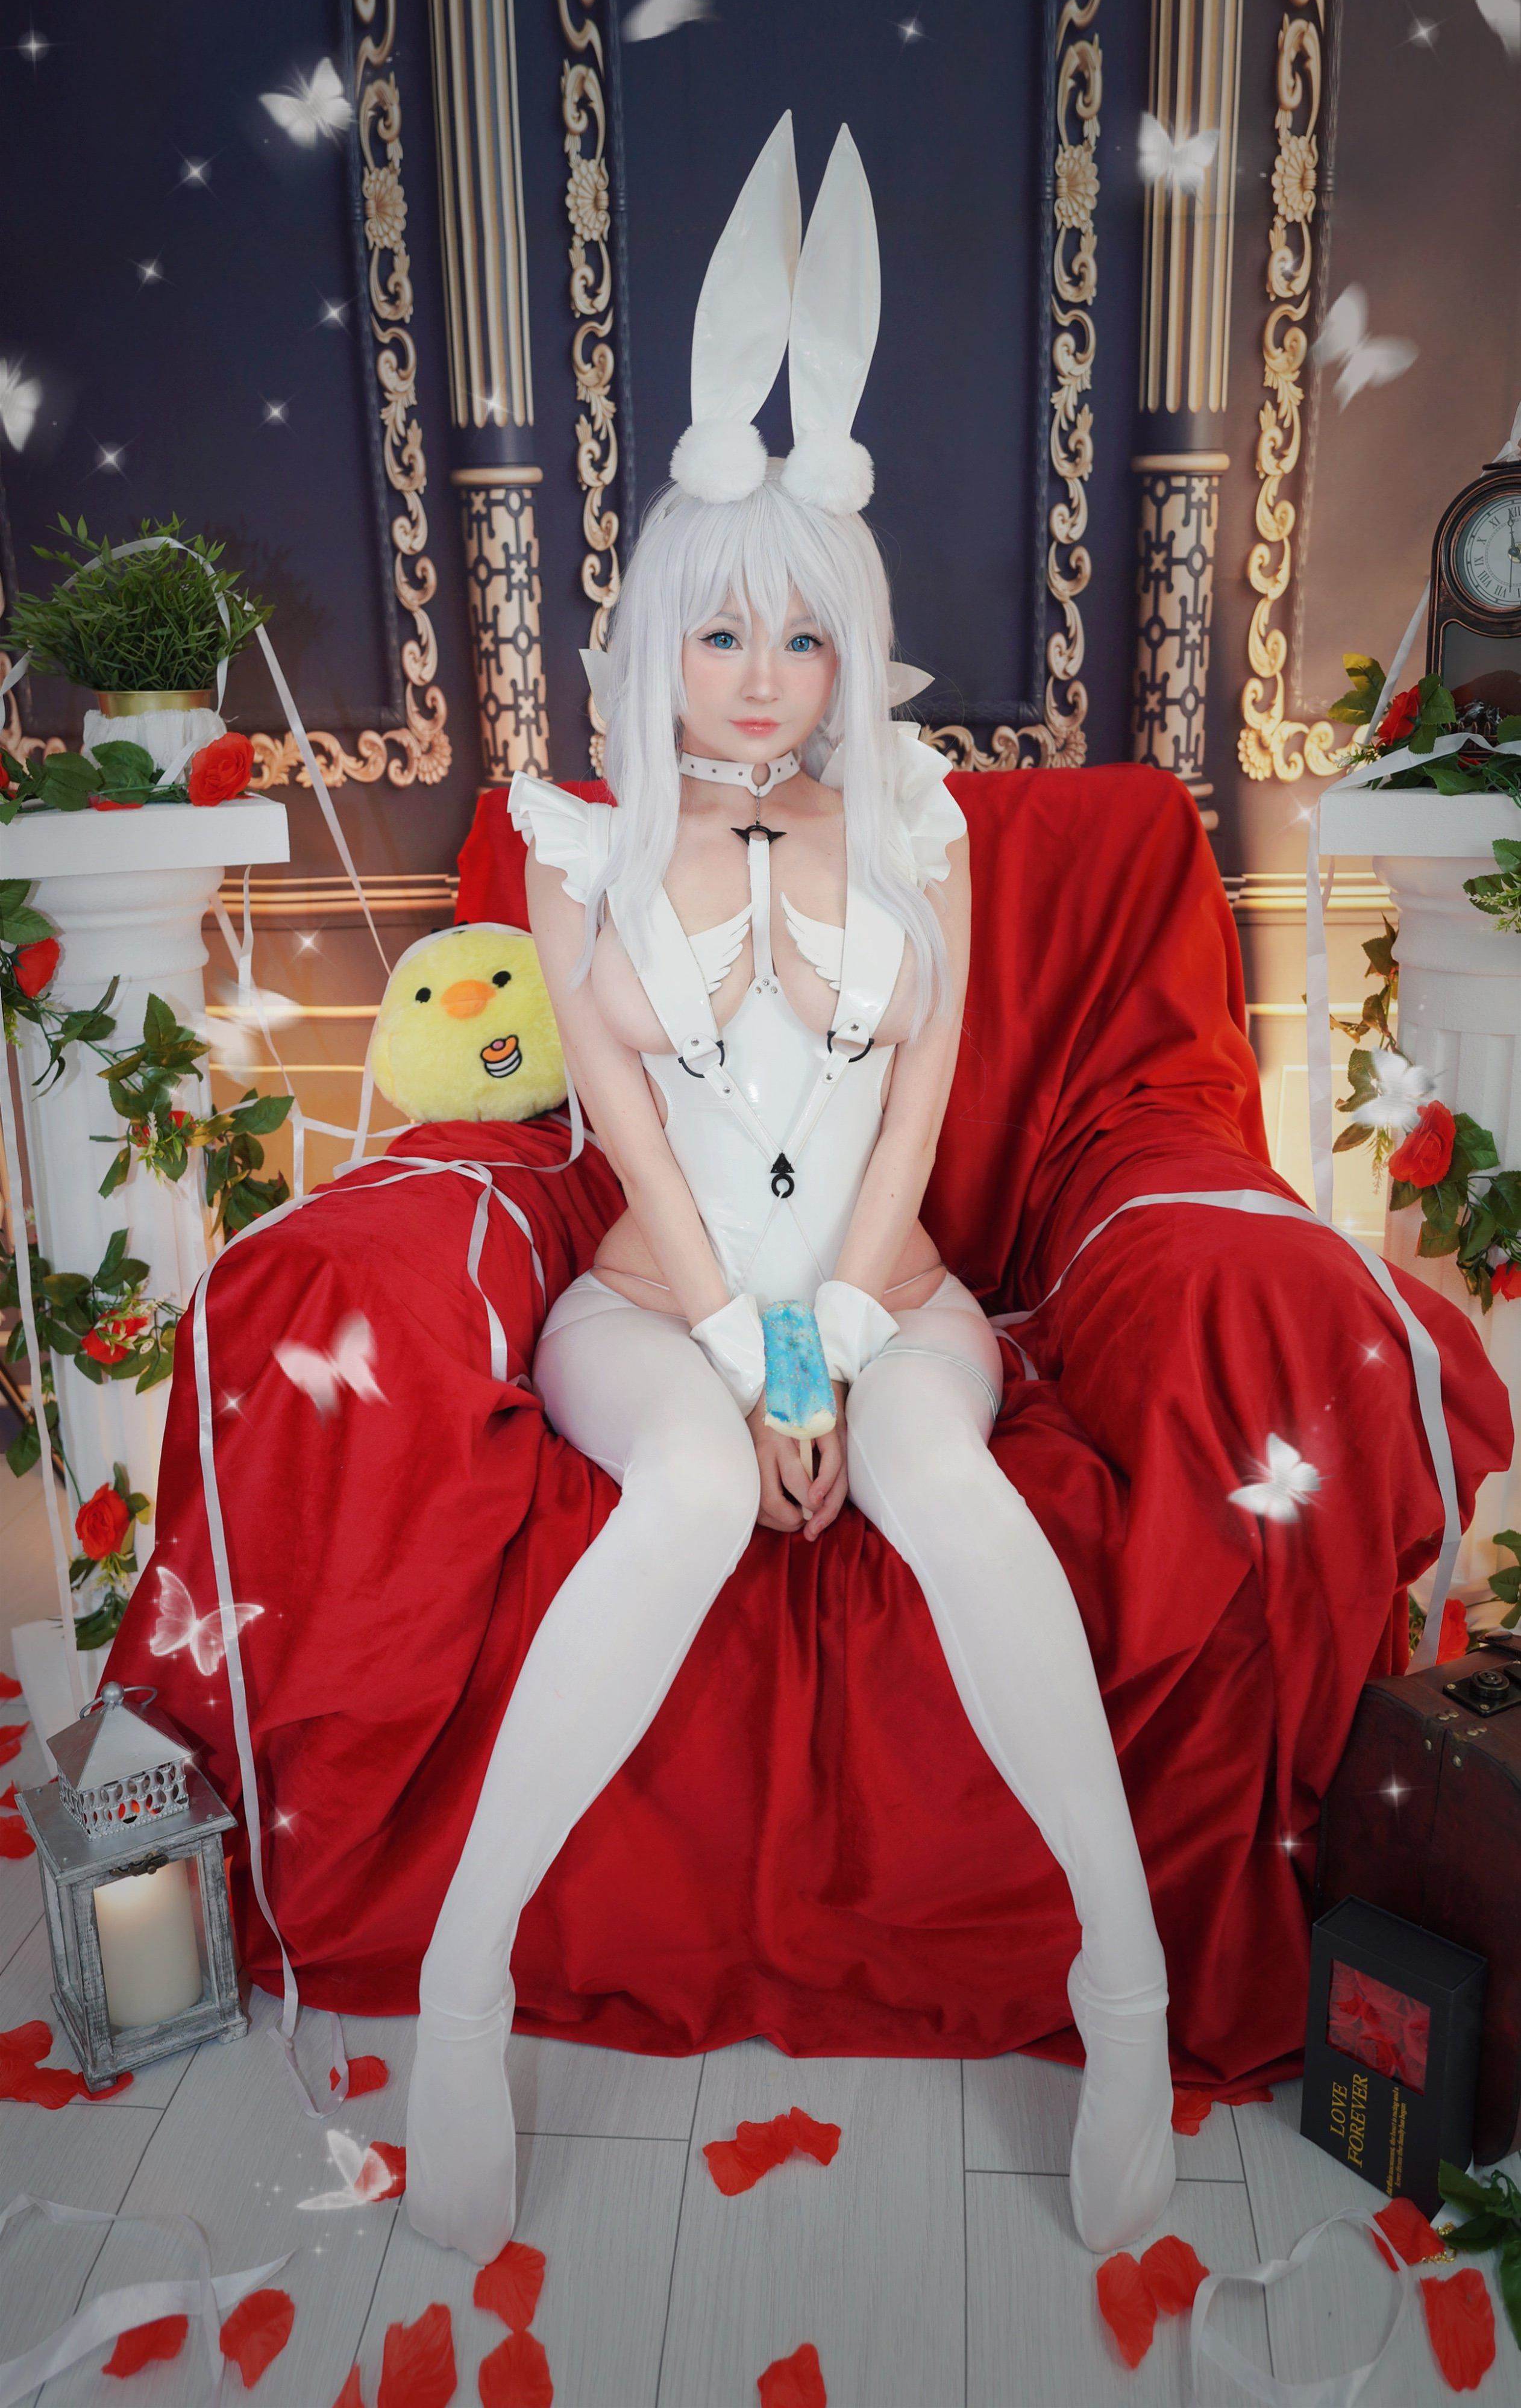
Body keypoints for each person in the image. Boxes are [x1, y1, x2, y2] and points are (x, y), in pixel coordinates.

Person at [405, 113, 1176, 2265]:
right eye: (724, 636)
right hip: (654, 1314)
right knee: (680, 1489)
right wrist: (751, 1369)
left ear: (852, 650)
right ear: (661, 641)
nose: (760, 679)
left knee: (945, 1482)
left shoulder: (922, 827)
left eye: (802, 641)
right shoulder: (578, 849)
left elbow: (915, 1106)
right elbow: (631, 1136)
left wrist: (830, 1346)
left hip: (889, 1304)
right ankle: (462, 1984)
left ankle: (1123, 1985)